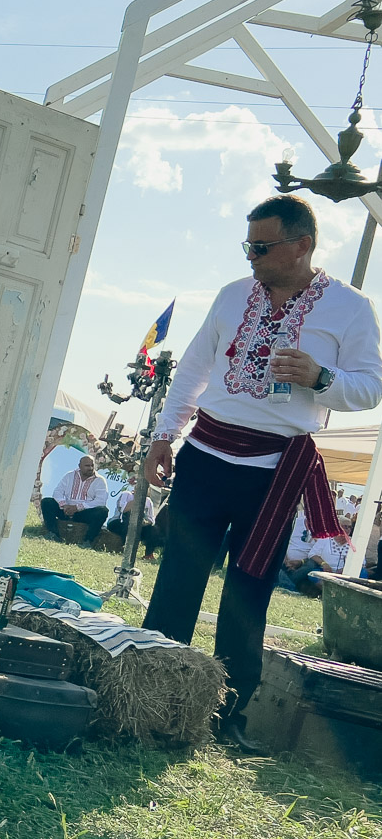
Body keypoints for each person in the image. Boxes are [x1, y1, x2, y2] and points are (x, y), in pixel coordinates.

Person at [142, 194, 382, 754]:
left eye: (262, 245)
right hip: (204, 455)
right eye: (247, 244)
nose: (250, 255)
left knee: (248, 594)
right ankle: (151, 691)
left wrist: (322, 378)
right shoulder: (232, 295)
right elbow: (196, 366)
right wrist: (162, 436)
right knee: (177, 577)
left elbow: (371, 387)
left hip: (275, 472)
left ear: (302, 246)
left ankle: (227, 714)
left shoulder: (350, 309)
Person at [39, 455, 109, 545]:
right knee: (47, 502)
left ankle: (87, 541)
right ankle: (53, 534)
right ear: (79, 466)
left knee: (103, 511)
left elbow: (101, 501)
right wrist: (64, 505)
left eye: (92, 465)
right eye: (87, 466)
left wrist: (78, 507)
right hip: (65, 510)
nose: (90, 468)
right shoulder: (70, 476)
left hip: (84, 513)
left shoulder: (100, 480)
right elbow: (58, 492)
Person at [277, 513, 353, 596]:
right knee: (275, 565)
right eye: (345, 526)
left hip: (305, 563)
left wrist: (301, 561)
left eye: (349, 527)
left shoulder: (323, 530)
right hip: (286, 560)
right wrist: (285, 559)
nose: (348, 529)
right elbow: (282, 543)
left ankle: (289, 586)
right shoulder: (294, 523)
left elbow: (313, 554)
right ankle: (291, 587)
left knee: (311, 564)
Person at [106, 485, 164, 556]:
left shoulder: (148, 501)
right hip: (119, 522)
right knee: (130, 520)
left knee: (154, 529)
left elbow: (151, 520)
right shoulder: (126, 494)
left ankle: (148, 554)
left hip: (140, 526)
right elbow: (123, 510)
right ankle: (125, 548)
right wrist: (137, 499)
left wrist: (145, 522)